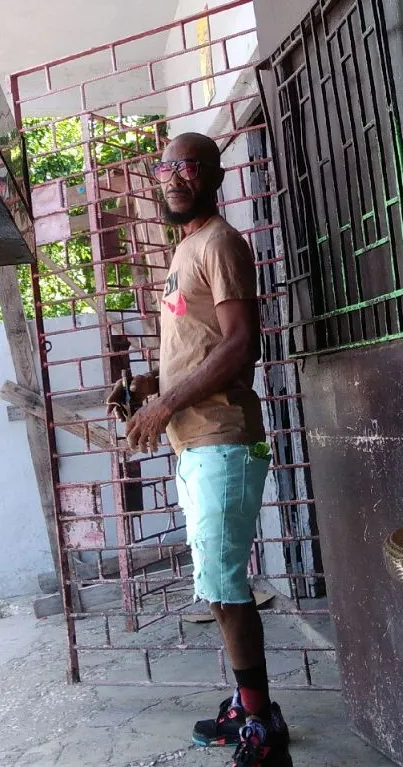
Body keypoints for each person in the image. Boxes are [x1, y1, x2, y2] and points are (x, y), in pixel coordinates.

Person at [107, 132, 292, 767]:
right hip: (195, 444)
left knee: (225, 585)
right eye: (165, 167)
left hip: (222, 438)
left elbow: (241, 345)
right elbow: (199, 347)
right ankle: (247, 703)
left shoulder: (221, 243)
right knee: (216, 585)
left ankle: (262, 721)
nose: (172, 176)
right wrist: (148, 387)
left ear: (212, 175)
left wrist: (164, 406)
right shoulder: (185, 248)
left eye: (187, 166)